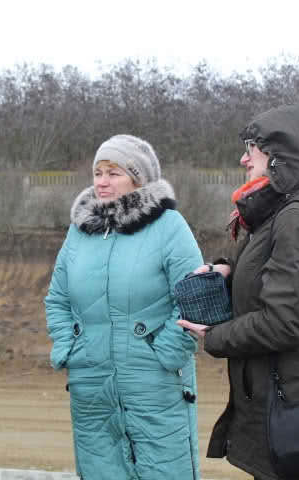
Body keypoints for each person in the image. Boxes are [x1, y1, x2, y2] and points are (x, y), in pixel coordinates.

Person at [178, 104, 299, 480]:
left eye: (252, 149)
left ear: (279, 156)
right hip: (288, 411)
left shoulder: (297, 219)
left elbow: (283, 322)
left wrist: (214, 336)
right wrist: (229, 272)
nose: (243, 159)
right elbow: (275, 282)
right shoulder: (281, 214)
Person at [46, 134, 204, 479]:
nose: (102, 182)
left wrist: (165, 353)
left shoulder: (169, 226)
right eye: (97, 173)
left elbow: (196, 297)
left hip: (156, 387)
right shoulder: (79, 233)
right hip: (91, 389)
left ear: (138, 178)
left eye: (113, 173)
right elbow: (57, 299)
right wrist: (70, 347)